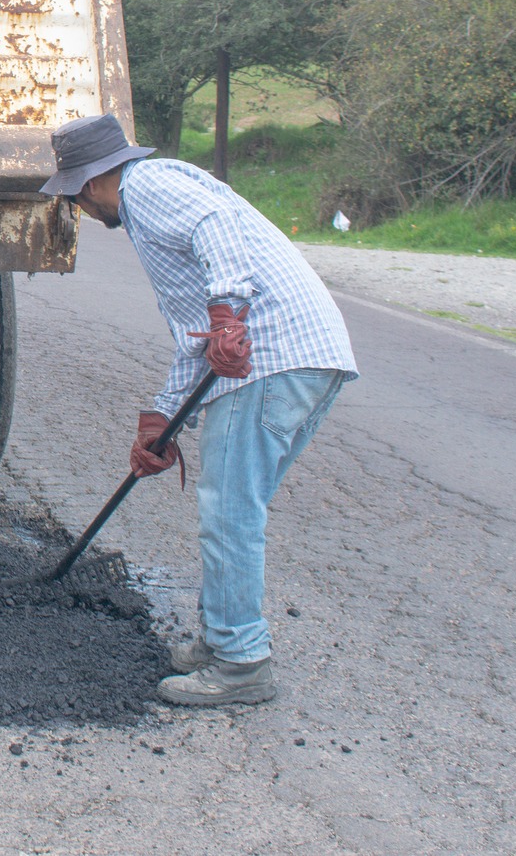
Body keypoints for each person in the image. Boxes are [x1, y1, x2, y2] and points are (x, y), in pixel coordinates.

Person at [40, 113, 358, 707]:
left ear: (89, 184)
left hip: (274, 356)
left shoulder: (147, 186)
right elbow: (198, 338)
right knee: (234, 507)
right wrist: (162, 419)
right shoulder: (154, 198)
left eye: (75, 198)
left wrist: (227, 310)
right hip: (302, 354)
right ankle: (220, 641)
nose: (81, 210)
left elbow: (219, 231)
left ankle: (241, 663)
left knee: (231, 512)